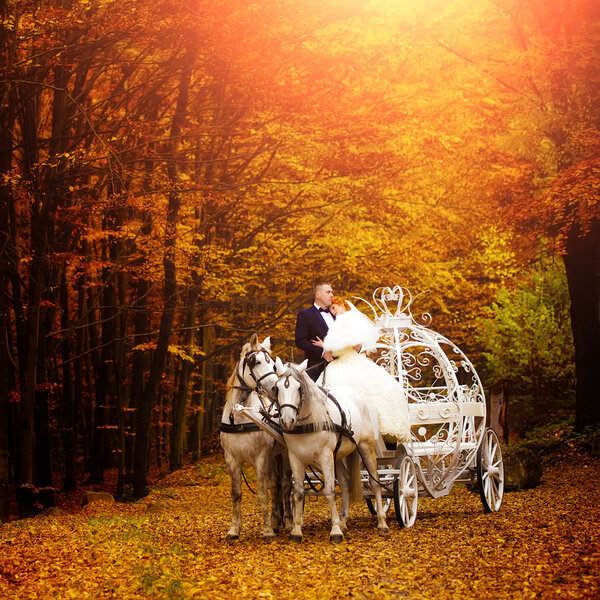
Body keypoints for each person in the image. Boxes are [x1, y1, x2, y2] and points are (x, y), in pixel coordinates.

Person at [317, 296, 411, 443]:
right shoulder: (348, 319)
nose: (333, 312)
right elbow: (351, 341)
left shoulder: (345, 319)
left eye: (334, 308)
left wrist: (326, 346)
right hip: (345, 360)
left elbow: (344, 343)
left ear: (341, 304)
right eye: (330, 310)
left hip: (348, 361)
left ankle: (359, 429)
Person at [294, 280, 335, 381]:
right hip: (317, 368)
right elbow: (300, 341)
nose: (332, 295)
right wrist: (322, 352)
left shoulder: (337, 312)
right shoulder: (305, 315)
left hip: (342, 364)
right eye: (328, 292)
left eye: (332, 292)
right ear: (318, 294)